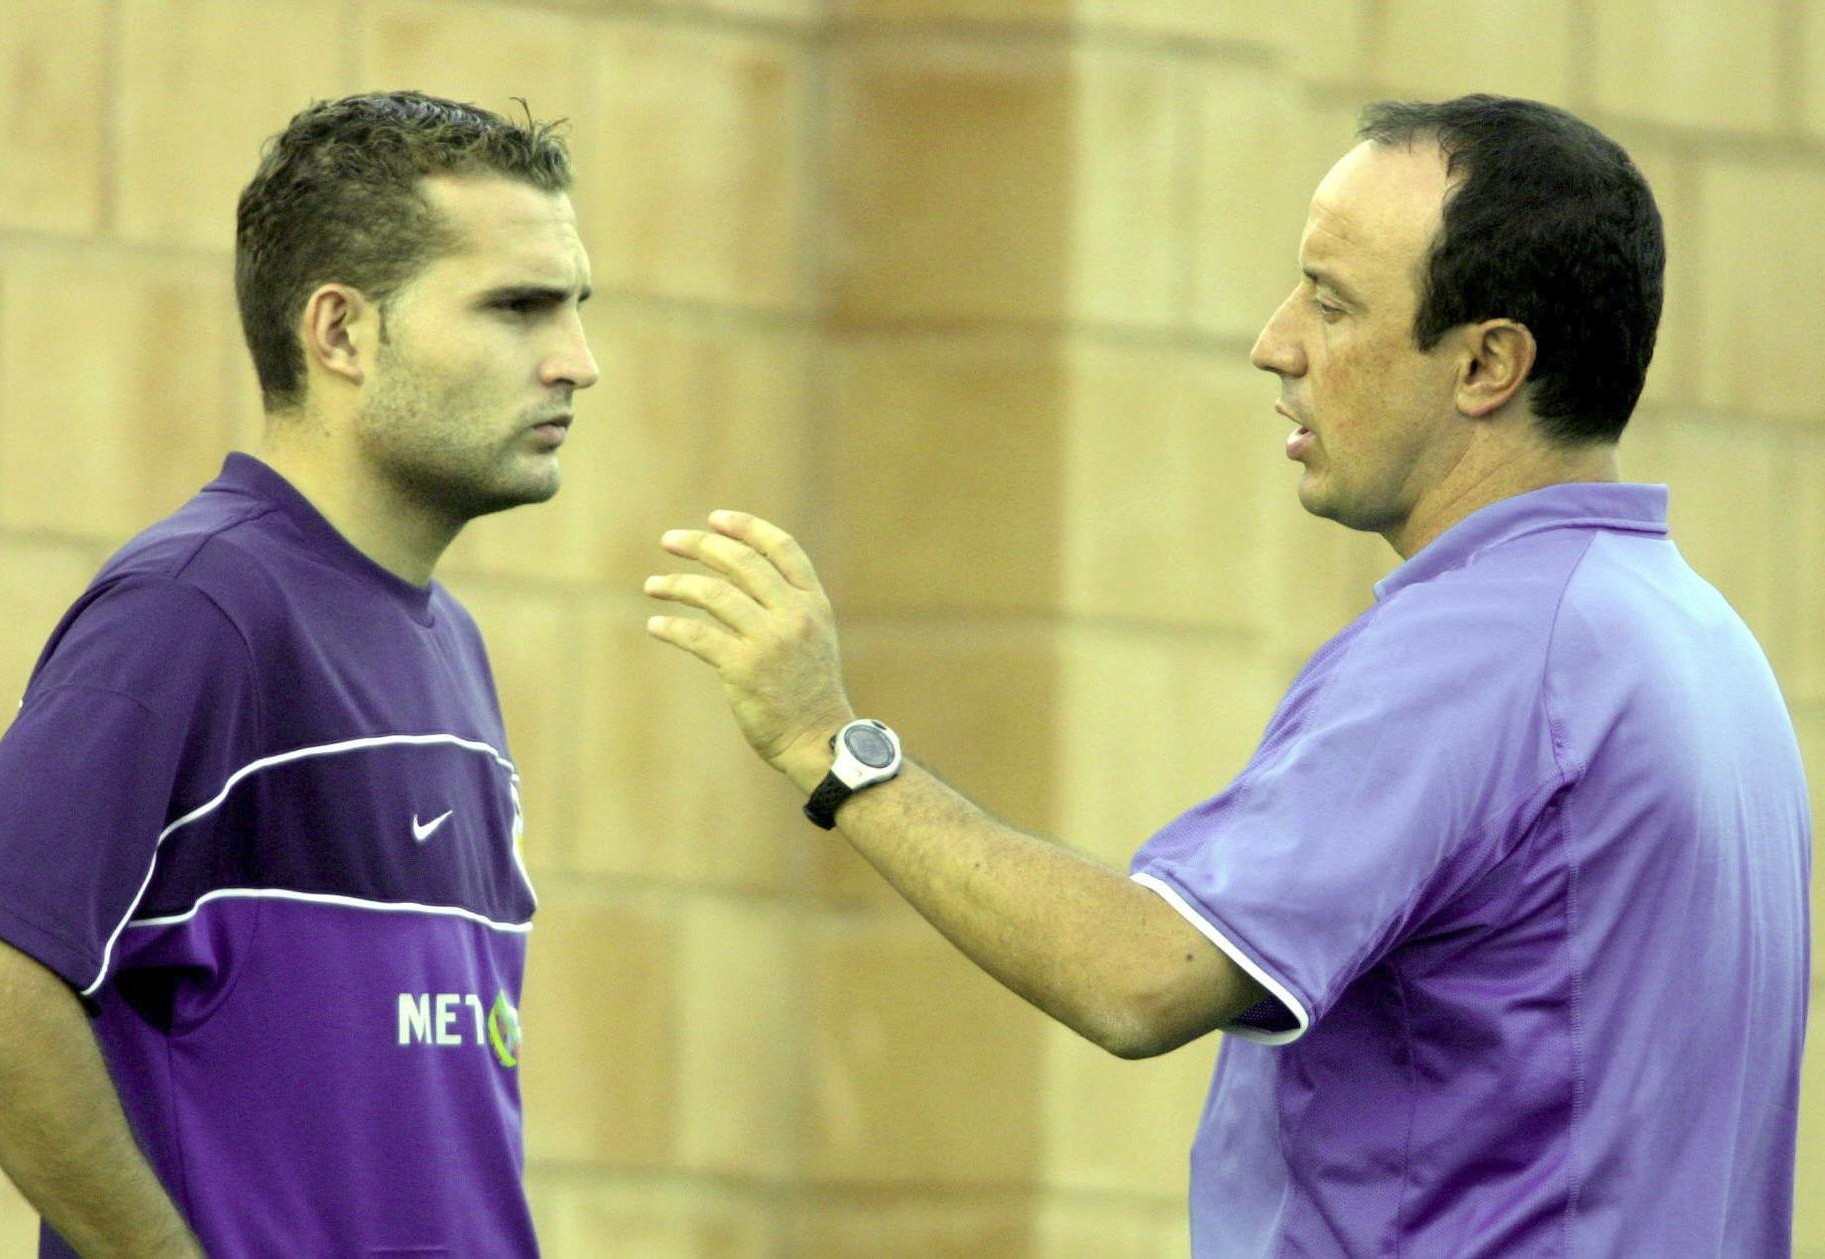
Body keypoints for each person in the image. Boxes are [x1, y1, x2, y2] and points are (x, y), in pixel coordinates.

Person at [645, 94, 1809, 1256]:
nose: (1276, 340)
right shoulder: (1701, 643)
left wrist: (834, 748)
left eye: (1332, 301)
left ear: (1486, 363)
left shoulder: (1481, 648)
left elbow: (1142, 976)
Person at [0, 91, 597, 1258]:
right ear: (339, 335)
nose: (577, 362)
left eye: (573, 306)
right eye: (517, 307)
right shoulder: (198, 606)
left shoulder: (447, 642)